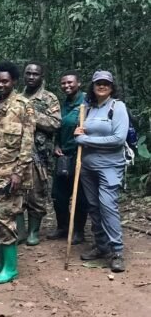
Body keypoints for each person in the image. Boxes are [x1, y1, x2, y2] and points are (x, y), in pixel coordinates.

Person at [0, 61, 35, 284]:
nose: (0, 84)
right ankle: (3, 263)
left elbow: (27, 143)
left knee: (6, 219)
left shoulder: (23, 105)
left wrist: (18, 173)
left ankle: (11, 268)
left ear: (14, 81)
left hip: (12, 175)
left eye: (5, 81)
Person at [74, 71, 128, 273]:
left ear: (112, 87)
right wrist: (79, 133)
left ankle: (117, 251)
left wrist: (85, 140)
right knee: (94, 206)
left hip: (110, 167)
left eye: (106, 83)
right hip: (88, 167)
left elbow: (118, 139)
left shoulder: (117, 107)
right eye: (98, 83)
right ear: (93, 86)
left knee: (108, 206)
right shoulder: (87, 108)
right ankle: (101, 245)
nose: (102, 86)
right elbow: (81, 134)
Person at [20, 62, 61, 246]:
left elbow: (55, 123)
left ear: (41, 76)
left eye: (35, 74)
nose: (31, 77)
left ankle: (33, 232)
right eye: (28, 73)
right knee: (17, 193)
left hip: (39, 155)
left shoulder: (48, 98)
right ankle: (20, 232)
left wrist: (31, 115)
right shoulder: (17, 97)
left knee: (36, 194)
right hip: (16, 153)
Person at [48, 71, 87, 244]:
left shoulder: (87, 103)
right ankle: (63, 226)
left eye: (70, 82)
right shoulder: (61, 104)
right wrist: (56, 145)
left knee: (80, 195)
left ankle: (78, 230)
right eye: (63, 83)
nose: (67, 86)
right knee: (58, 194)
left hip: (81, 156)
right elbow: (57, 128)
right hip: (63, 157)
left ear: (78, 83)